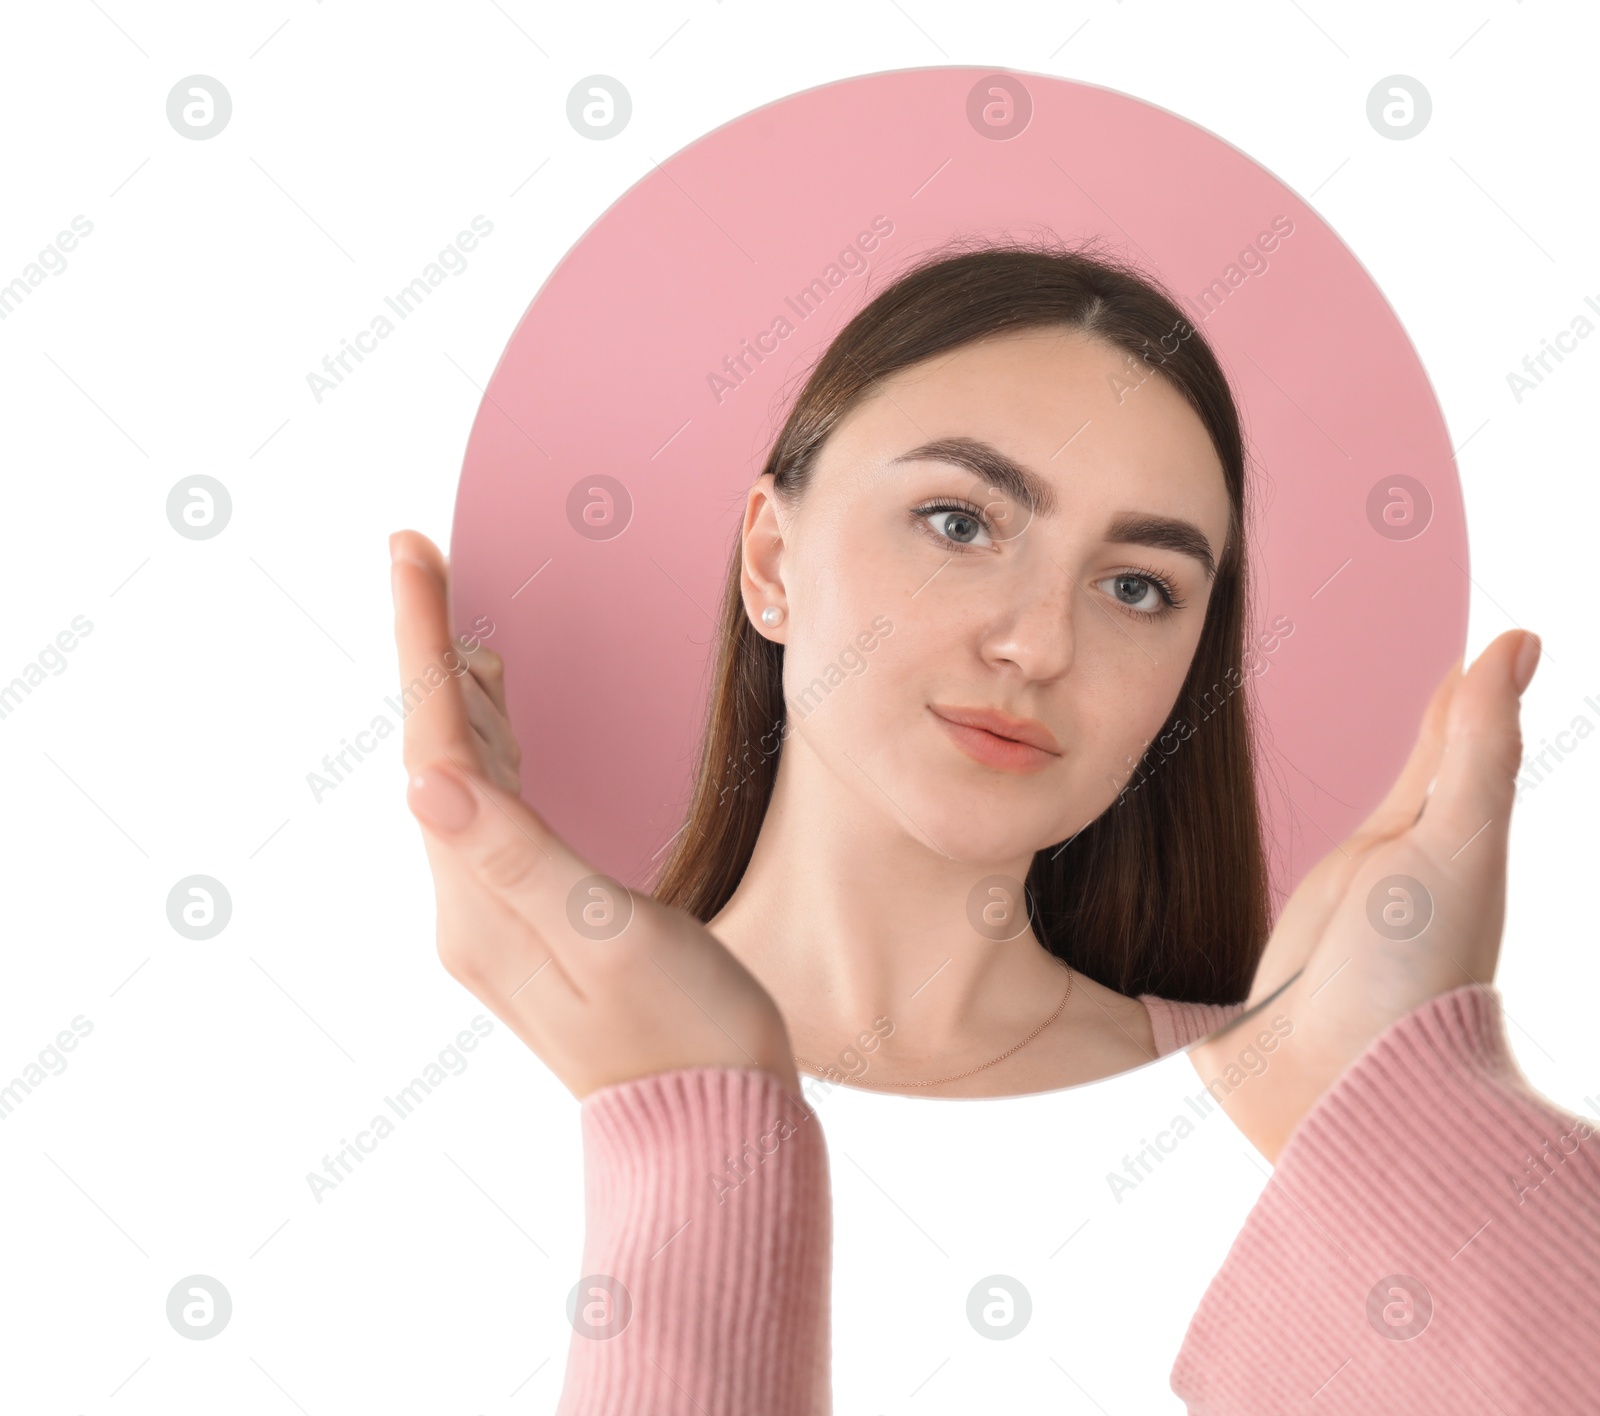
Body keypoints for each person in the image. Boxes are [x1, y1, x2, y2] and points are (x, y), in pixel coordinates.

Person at [389, 243, 1599, 1412]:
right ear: (772, 559)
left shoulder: (1298, 1113)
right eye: (960, 524)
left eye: (1138, 587)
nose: (1038, 645)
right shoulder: (444, 1123)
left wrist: (1404, 1117)